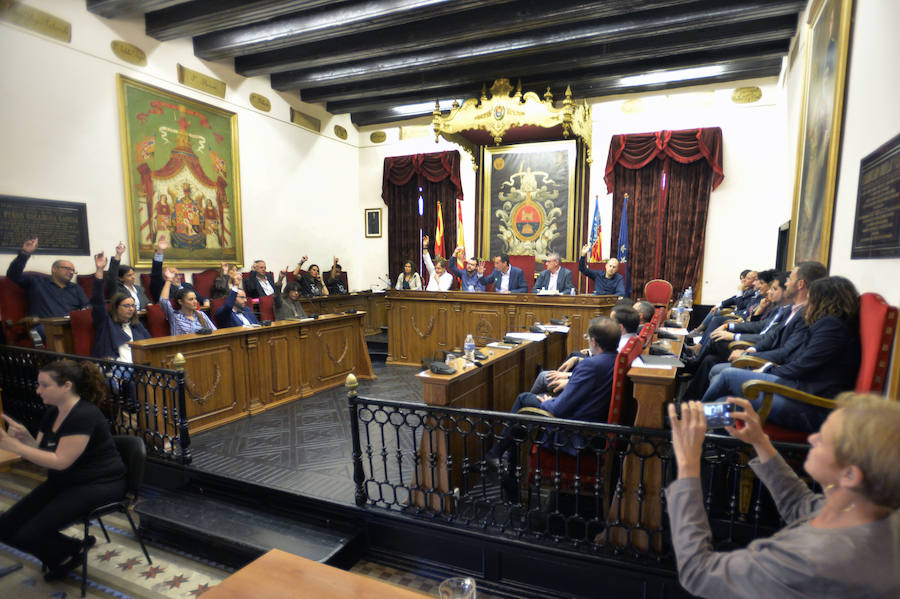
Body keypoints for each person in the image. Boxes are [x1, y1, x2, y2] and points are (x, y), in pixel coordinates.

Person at [667, 395, 900, 599]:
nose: (812, 439)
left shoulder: (810, 559)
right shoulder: (865, 510)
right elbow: (802, 505)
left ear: (850, 474)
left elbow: (698, 573)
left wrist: (688, 464)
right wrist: (760, 441)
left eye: (823, 439)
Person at [0, 360, 127, 580]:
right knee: (5, 528)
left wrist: (15, 446)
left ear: (66, 386)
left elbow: (60, 461)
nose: (38, 390)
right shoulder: (53, 413)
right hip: (65, 481)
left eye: (44, 385)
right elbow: (43, 454)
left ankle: (65, 556)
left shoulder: (84, 414)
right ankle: (69, 550)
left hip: (99, 484)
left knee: (28, 534)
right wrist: (26, 439)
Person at [702, 276, 861, 432]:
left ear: (825, 300)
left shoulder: (832, 327)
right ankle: (710, 439)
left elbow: (800, 367)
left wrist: (765, 370)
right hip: (800, 392)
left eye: (812, 298)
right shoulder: (828, 324)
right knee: (723, 401)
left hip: (812, 406)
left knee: (728, 376)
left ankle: (693, 424)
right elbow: (795, 358)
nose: (808, 303)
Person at [485, 316, 621, 468]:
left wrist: (549, 402)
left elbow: (558, 409)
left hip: (575, 432)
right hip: (595, 426)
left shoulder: (591, 366)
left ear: (594, 341)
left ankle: (504, 458)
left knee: (524, 399)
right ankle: (504, 454)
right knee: (531, 403)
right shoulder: (617, 360)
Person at [5, 237, 89, 319]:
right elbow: (13, 275)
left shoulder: (75, 288)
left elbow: (87, 306)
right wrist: (25, 253)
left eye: (73, 270)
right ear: (54, 269)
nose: (71, 272)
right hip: (46, 326)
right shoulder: (36, 282)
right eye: (67, 268)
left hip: (70, 326)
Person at [91, 252, 151, 360]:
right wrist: (99, 270)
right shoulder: (105, 322)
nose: (131, 309)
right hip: (116, 368)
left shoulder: (136, 325)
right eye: (127, 306)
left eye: (133, 306)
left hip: (139, 366)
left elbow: (150, 343)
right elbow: (97, 300)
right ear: (116, 307)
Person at [148, 238, 208, 307]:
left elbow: (200, 298)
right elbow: (156, 274)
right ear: (165, 276)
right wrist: (160, 252)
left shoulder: (187, 286)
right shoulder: (161, 287)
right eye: (175, 275)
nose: (179, 277)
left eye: (179, 274)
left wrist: (205, 301)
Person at [159, 266, 217, 335]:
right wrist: (169, 280)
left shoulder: (201, 314)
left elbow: (215, 332)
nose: (195, 301)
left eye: (195, 299)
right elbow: (163, 301)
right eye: (191, 299)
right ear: (180, 302)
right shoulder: (174, 316)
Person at [105, 241, 152, 310]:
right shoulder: (117, 289)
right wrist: (118, 254)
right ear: (120, 278)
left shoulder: (139, 289)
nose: (133, 277)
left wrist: (150, 305)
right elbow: (112, 276)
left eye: (133, 274)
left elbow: (147, 302)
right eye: (129, 275)